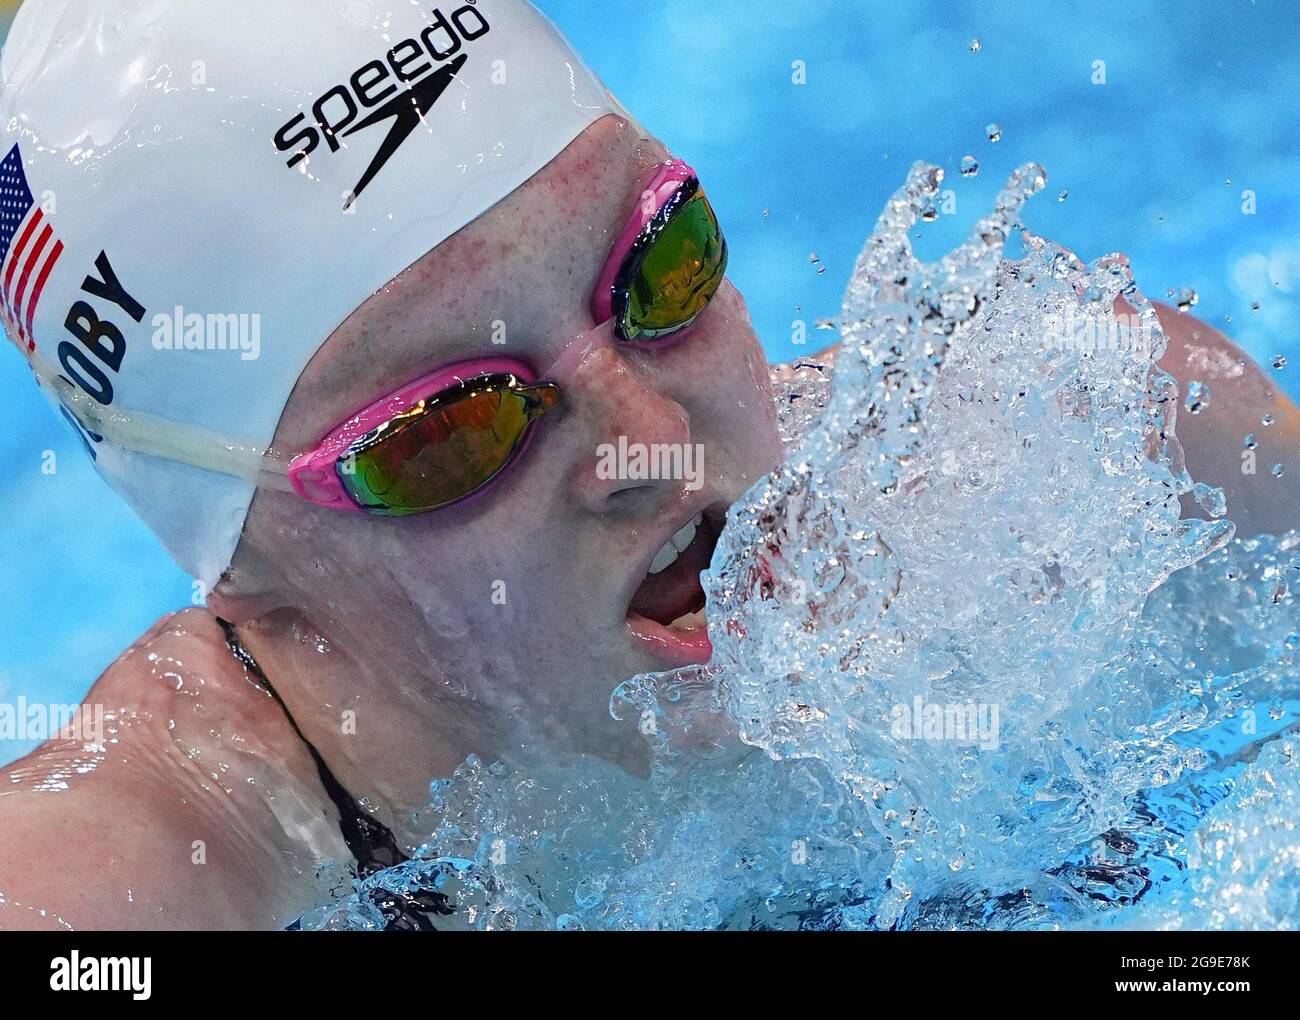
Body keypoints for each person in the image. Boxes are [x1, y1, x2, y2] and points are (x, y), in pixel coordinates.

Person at [0, 0, 1294, 930]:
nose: (651, 444)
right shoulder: (161, 859)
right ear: (245, 569)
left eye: (659, 269)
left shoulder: (1116, 452)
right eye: (455, 427)